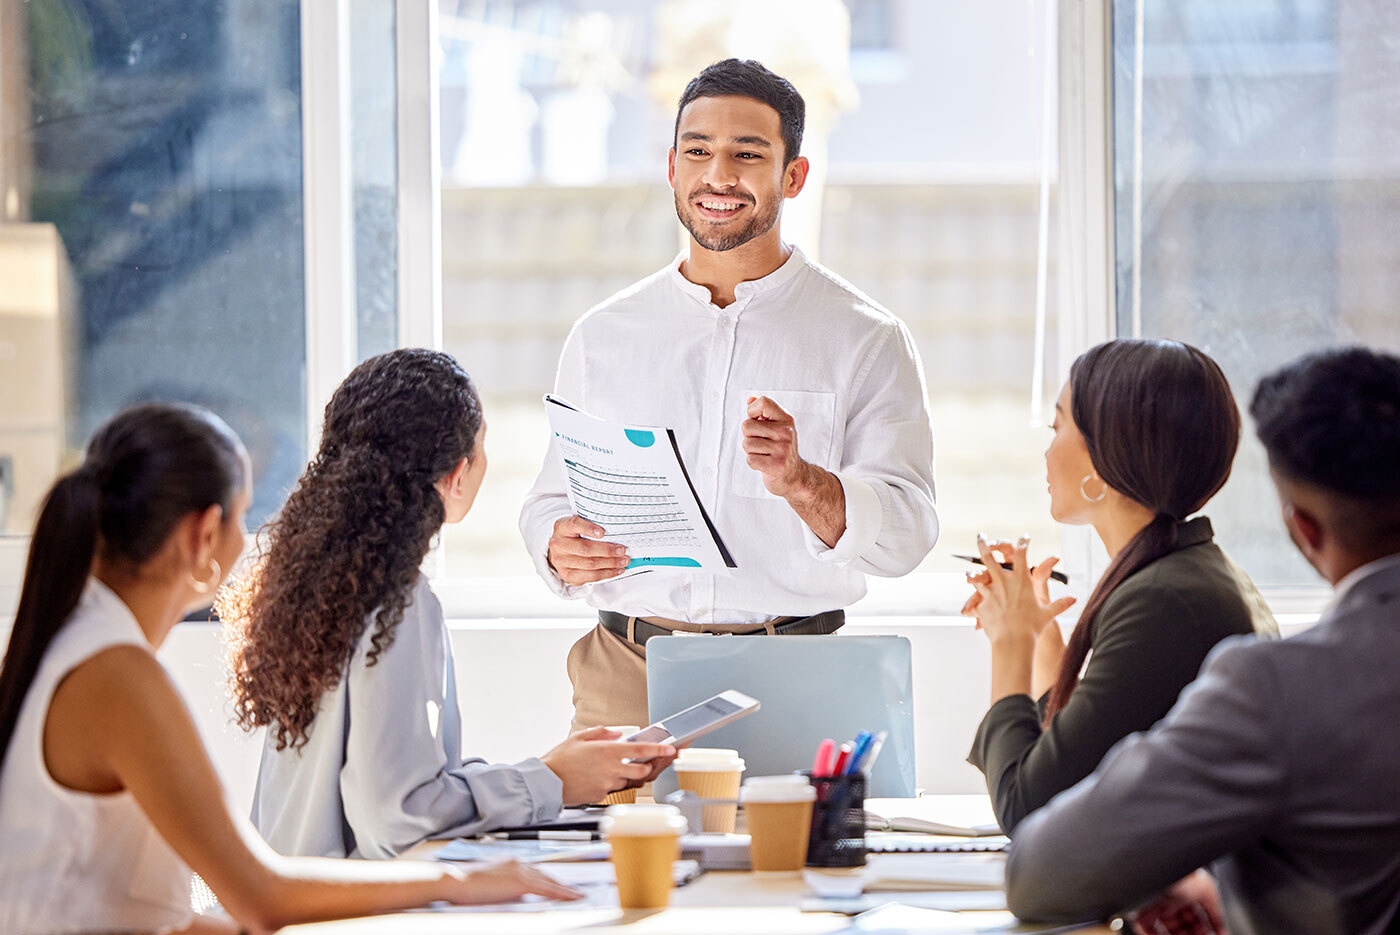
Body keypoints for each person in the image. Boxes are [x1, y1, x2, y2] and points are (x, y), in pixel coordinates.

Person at [0, 403, 582, 935]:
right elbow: (261, 894)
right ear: (203, 534)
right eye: (242, 516)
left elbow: (160, 913)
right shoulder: (118, 679)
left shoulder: (81, 645)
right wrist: (454, 884)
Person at [519, 58, 939, 732]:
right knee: (608, 843)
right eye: (698, 151)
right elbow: (549, 502)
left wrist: (805, 484)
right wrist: (555, 543)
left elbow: (910, 532)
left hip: (797, 679)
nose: (718, 176)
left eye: (747, 154)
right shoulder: (604, 336)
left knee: (793, 845)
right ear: (672, 168)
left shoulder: (865, 338)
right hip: (627, 674)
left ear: (793, 175)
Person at [1005, 346, 1400, 934]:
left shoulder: (1269, 686)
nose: (1046, 443)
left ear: (1303, 526)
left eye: (1058, 424)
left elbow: (1039, 869)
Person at [221, 350, 676, 860]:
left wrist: (549, 771)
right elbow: (399, 817)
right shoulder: (400, 603)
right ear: (458, 474)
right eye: (482, 450)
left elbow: (396, 787)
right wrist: (550, 781)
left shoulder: (317, 583)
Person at [963, 339, 1277, 834]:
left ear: (1105, 457)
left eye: (1058, 424)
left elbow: (1028, 806)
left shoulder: (1163, 602)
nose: (1047, 447)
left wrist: (1011, 643)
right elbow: (1074, 758)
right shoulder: (1184, 572)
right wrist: (1044, 639)